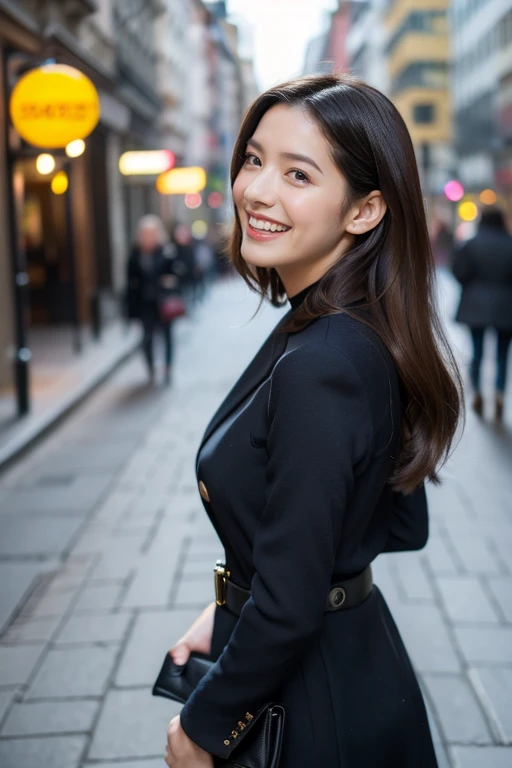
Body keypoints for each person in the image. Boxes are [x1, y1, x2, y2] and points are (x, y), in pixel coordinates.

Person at [164, 74, 462, 768]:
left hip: (311, 707)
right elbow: (398, 522)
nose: (257, 191)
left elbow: (292, 604)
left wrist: (203, 727)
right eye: (254, 159)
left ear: (364, 211)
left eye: (298, 174)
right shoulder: (357, 330)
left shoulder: (321, 362)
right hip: (356, 668)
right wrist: (233, 604)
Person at [452, 206, 512, 422]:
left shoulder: (470, 244)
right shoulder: (509, 243)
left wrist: (473, 287)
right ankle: (499, 392)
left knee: (477, 351)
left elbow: (458, 271)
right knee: (502, 355)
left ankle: (476, 390)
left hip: (475, 305)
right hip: (506, 306)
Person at [126, 215, 181, 385]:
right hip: (145, 304)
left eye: (151, 233)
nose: (148, 236)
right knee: (147, 338)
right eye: (145, 233)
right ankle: (151, 369)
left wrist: (170, 279)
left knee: (167, 336)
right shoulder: (135, 254)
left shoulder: (166, 251)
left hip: (163, 302)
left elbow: (177, 272)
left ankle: (167, 368)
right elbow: (130, 281)